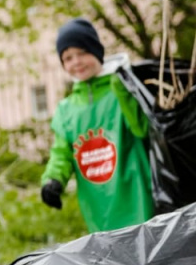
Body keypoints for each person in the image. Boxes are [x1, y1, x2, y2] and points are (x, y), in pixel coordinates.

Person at [40, 17, 154, 232]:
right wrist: (53, 179)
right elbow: (61, 152)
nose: (76, 62)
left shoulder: (121, 88)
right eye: (68, 57)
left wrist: (124, 90)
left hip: (136, 199)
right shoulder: (67, 109)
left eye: (82, 52)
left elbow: (143, 129)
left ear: (96, 51)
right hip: (98, 210)